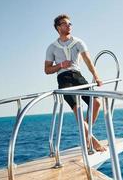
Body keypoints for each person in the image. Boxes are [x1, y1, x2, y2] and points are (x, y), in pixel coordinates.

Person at [44, 14, 106, 152]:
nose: (69, 26)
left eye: (70, 24)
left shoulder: (78, 42)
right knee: (77, 109)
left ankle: (86, 131)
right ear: (58, 27)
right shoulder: (51, 47)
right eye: (65, 24)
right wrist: (60, 65)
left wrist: (96, 76)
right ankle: (93, 141)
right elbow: (47, 70)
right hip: (63, 79)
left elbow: (88, 60)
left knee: (97, 102)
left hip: (78, 77)